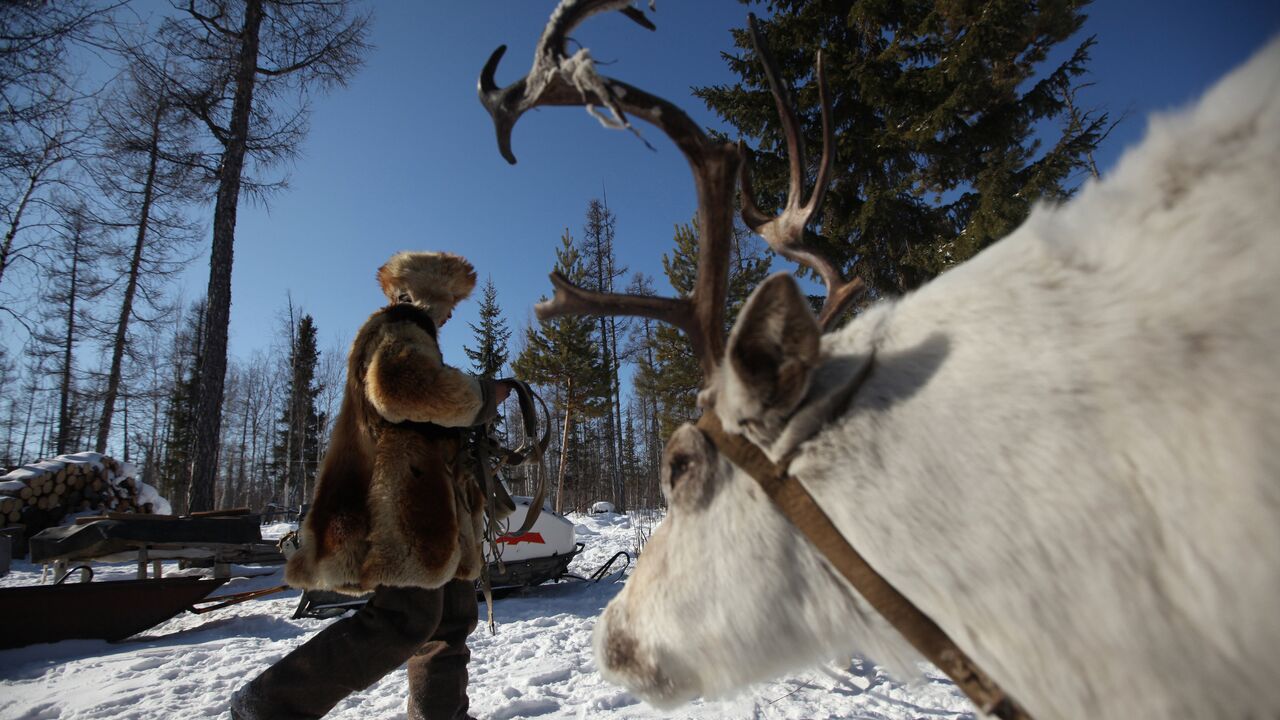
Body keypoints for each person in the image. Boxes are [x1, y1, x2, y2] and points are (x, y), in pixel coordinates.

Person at [231, 251, 512, 720]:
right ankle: (270, 705)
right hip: (407, 505)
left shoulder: (408, 334)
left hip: (438, 505)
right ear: (427, 293)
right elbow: (401, 387)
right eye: (448, 300)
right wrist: (484, 395)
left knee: (449, 621)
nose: (451, 312)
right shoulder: (400, 327)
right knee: (405, 620)